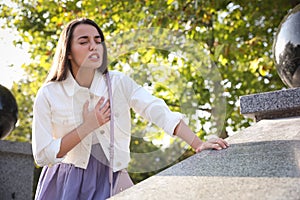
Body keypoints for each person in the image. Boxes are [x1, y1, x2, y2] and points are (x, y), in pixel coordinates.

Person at [32, 18, 229, 200]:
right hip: (64, 183)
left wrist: (197, 143)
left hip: (112, 179)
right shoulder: (49, 93)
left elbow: (155, 108)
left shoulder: (118, 83)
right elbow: (42, 155)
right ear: (68, 52)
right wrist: (88, 126)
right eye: (83, 41)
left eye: (98, 40)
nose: (93, 46)